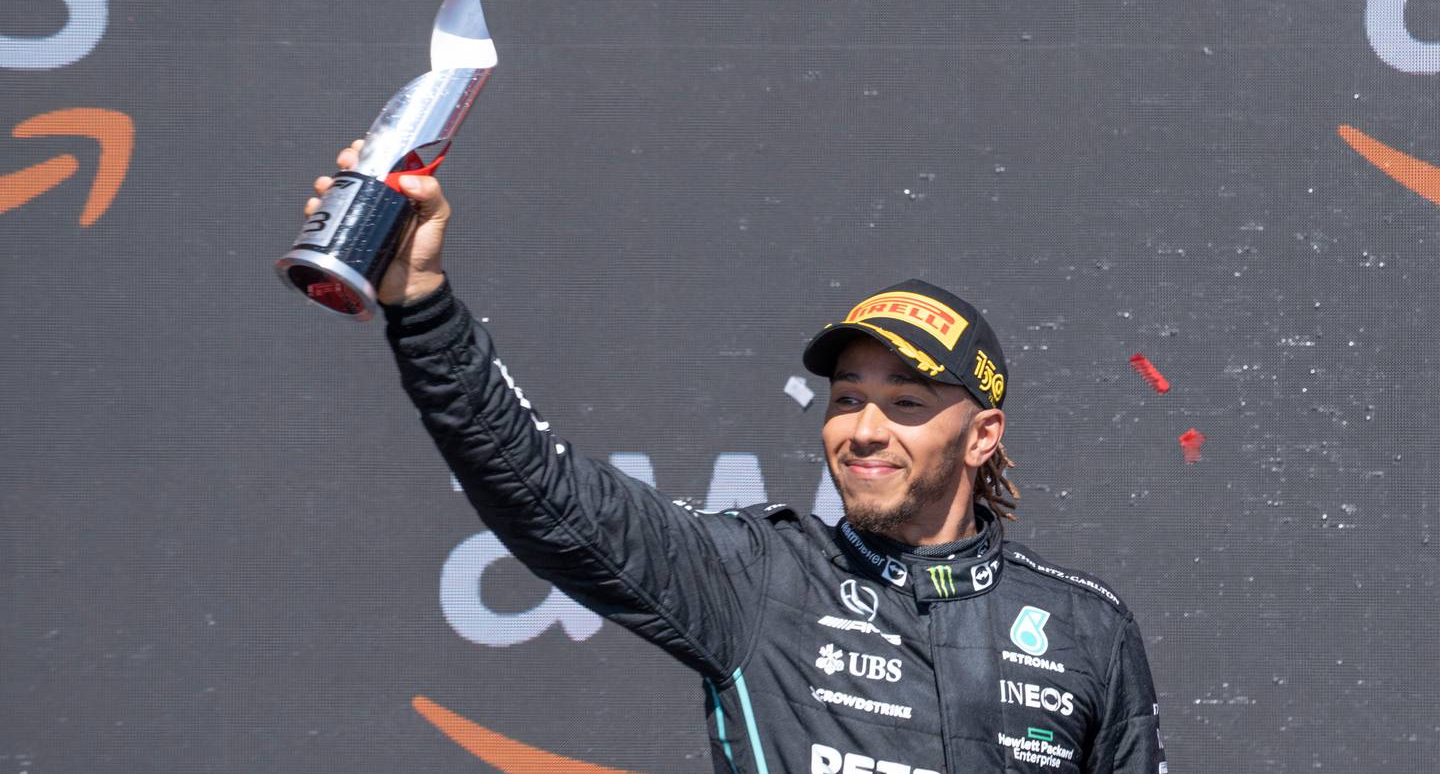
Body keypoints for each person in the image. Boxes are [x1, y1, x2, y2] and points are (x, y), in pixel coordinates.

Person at [305, 143, 1168, 774]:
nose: (865, 430)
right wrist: (421, 303)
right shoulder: (762, 580)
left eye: (906, 404)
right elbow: (542, 491)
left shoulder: (1086, 627)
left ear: (981, 436)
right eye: (847, 399)